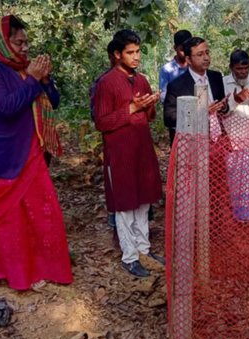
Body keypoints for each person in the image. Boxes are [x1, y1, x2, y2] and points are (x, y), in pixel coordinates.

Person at [0, 15, 73, 290]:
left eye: (26, 43)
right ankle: (10, 272)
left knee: (43, 212)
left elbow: (52, 102)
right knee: (7, 219)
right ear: (1, 42)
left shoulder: (25, 70)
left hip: (28, 151)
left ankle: (45, 266)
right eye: (19, 43)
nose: (25, 48)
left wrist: (43, 79)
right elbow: (6, 107)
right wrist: (32, 79)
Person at [94, 29, 164, 278]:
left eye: (138, 52)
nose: (136, 57)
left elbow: (149, 117)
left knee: (143, 200)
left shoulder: (142, 79)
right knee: (125, 205)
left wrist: (149, 105)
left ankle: (144, 249)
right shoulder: (106, 83)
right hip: (121, 152)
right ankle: (130, 256)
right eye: (130, 52)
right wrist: (132, 107)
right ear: (117, 54)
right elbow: (101, 122)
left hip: (142, 150)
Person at [222, 49, 249, 221]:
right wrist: (236, 100)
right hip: (231, 137)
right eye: (239, 69)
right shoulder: (222, 82)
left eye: (246, 68)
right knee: (234, 178)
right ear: (231, 67)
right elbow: (221, 111)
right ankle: (238, 215)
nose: (243, 72)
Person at [163, 37, 229, 146]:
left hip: (218, 143)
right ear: (188, 59)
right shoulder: (176, 85)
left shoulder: (216, 77)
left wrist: (224, 107)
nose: (206, 58)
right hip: (193, 144)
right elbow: (169, 119)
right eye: (200, 55)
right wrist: (199, 112)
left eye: (207, 53)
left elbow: (222, 110)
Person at [89, 40, 119, 233]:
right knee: (115, 182)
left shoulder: (137, 79)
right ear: (112, 56)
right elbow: (97, 116)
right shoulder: (102, 82)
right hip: (114, 141)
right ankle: (116, 224)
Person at [158, 30, 192, 144]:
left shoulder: (195, 67)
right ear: (175, 48)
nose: (186, 52)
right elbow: (163, 95)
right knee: (178, 158)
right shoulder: (167, 70)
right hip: (177, 124)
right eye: (182, 49)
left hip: (197, 122)